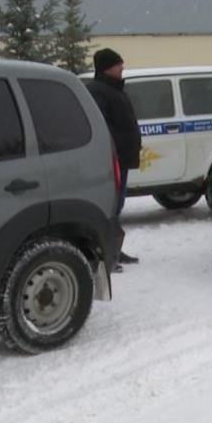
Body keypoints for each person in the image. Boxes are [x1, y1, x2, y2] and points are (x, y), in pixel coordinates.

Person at [87, 47, 142, 269]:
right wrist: (114, 149)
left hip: (121, 159)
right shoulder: (98, 92)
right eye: (118, 64)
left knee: (117, 207)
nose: (122, 67)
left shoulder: (115, 89)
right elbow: (102, 127)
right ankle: (107, 254)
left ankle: (115, 250)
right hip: (111, 160)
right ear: (106, 68)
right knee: (110, 207)